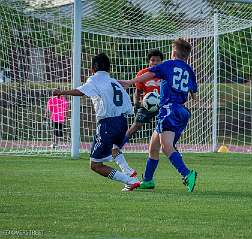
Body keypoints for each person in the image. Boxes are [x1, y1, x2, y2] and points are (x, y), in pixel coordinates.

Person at [119, 38, 198, 192]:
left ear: (174, 52)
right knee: (153, 147)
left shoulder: (168, 64)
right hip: (181, 111)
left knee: (166, 147)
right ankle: (148, 180)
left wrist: (130, 82)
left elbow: (149, 74)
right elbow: (194, 93)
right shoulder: (189, 70)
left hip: (169, 109)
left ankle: (187, 174)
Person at [52, 53, 140, 191]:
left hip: (107, 124)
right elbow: (128, 106)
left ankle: (129, 180)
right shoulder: (113, 82)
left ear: (93, 69)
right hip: (123, 122)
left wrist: (62, 92)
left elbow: (81, 91)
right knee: (114, 148)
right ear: (109, 69)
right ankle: (128, 170)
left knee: (95, 165)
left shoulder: (94, 80)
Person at [112, 49, 163, 172]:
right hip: (147, 106)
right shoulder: (143, 73)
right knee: (135, 126)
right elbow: (138, 92)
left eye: (157, 60)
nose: (155, 63)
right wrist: (136, 104)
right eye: (152, 60)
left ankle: (172, 149)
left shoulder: (165, 73)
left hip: (162, 106)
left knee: (166, 129)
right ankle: (117, 147)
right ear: (149, 62)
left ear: (162, 62)